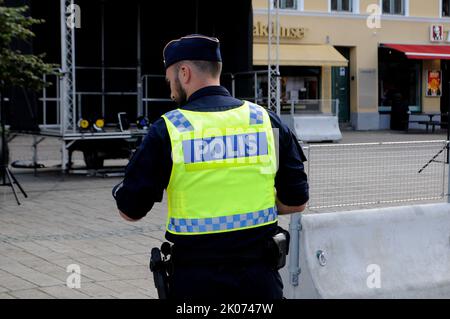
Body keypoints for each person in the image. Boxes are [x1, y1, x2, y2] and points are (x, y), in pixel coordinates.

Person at [112, 34, 309, 300]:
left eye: (170, 79)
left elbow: (130, 211)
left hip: (195, 284)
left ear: (184, 72)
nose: (170, 89)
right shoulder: (265, 121)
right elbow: (296, 202)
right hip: (259, 282)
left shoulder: (168, 130)